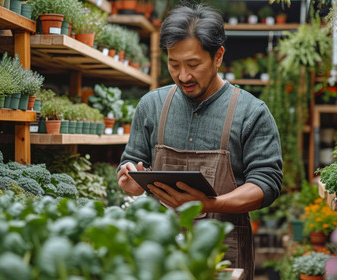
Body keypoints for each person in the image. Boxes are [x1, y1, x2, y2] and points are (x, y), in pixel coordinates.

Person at [117, 3, 283, 279]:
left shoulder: (251, 112)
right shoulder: (151, 106)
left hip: (223, 254)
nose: (184, 76)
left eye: (193, 64)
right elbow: (132, 165)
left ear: (218, 56)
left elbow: (266, 183)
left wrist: (211, 204)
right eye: (174, 64)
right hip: (161, 253)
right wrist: (130, 181)